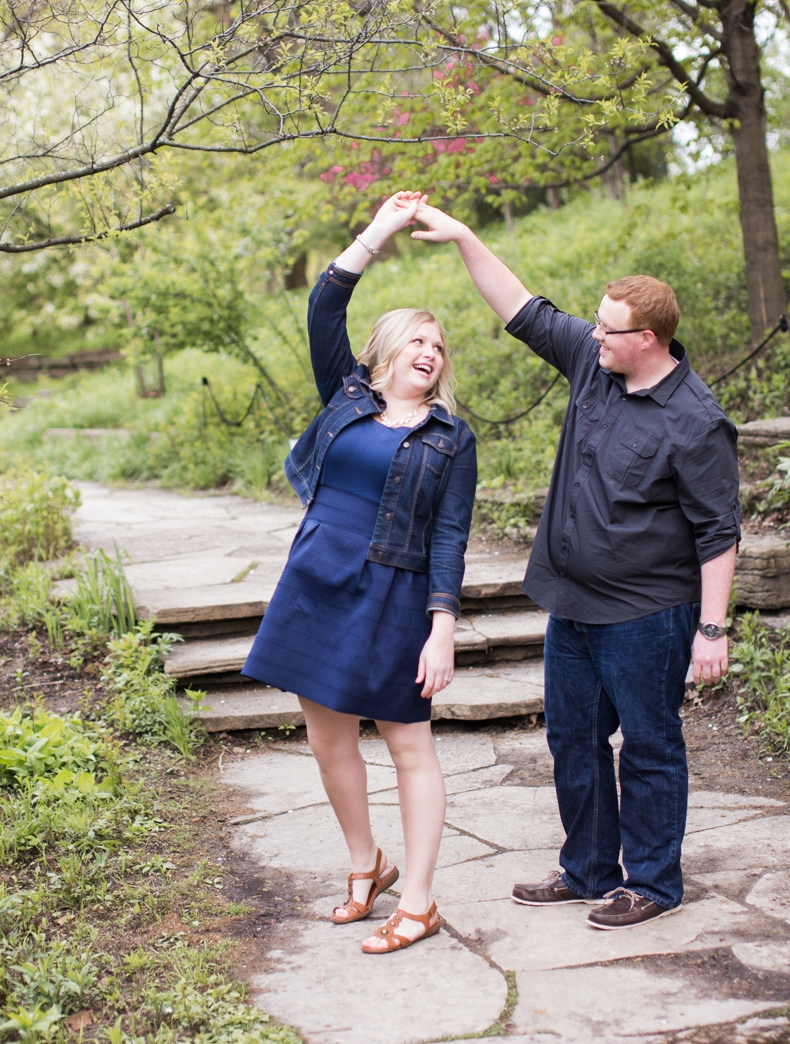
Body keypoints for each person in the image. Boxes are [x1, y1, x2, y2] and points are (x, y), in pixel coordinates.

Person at [409, 199, 740, 931]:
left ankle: (652, 880)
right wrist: (463, 236)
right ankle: (589, 866)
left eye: (608, 326)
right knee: (572, 737)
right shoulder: (594, 365)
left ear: (646, 338)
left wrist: (711, 629)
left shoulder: (696, 420)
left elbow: (719, 531)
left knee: (650, 745)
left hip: (650, 615)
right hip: (575, 605)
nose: (593, 333)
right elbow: (521, 306)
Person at [242, 192, 478, 953]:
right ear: (384, 353)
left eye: (439, 345)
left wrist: (442, 629)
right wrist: (380, 229)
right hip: (316, 581)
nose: (430, 352)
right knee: (327, 737)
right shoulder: (346, 396)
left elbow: (450, 534)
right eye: (417, 339)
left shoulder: (451, 438)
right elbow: (323, 303)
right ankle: (364, 862)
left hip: (394, 593)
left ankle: (418, 898)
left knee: (410, 743)